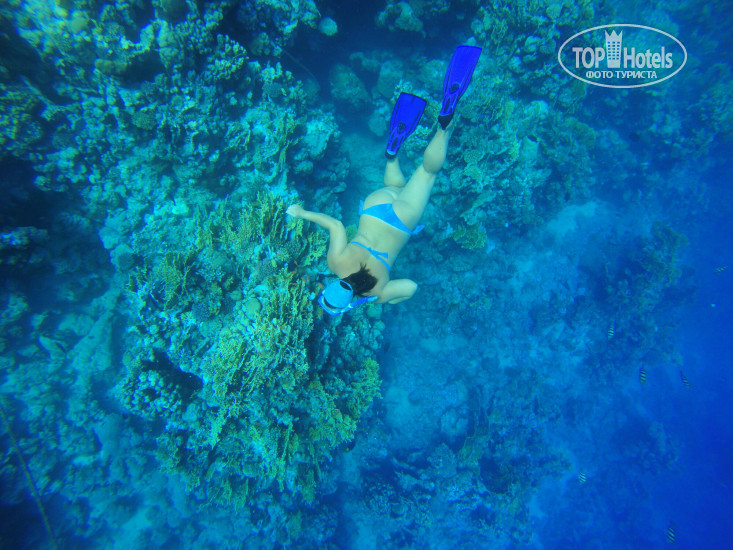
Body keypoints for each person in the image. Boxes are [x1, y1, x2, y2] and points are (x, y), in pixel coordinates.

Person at [287, 46, 482, 316]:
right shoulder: (335, 263)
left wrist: (388, 300)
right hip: (374, 208)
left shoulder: (376, 294)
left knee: (427, 173)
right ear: (329, 286)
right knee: (396, 188)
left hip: (402, 221)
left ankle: (444, 123)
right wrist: (301, 213)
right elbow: (335, 225)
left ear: (349, 304)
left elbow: (411, 287)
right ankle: (391, 155)